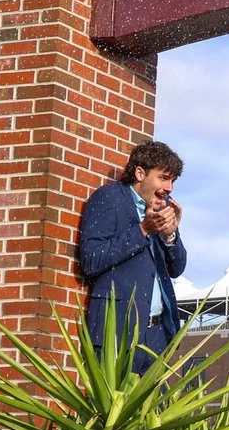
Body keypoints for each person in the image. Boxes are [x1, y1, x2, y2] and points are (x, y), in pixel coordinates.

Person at [75, 140, 187, 372]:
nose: (169, 188)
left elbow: (176, 269)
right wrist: (143, 230)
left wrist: (170, 235)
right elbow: (91, 259)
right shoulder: (109, 198)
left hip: (156, 337)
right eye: (163, 178)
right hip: (116, 333)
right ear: (140, 173)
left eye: (173, 180)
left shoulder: (161, 209)